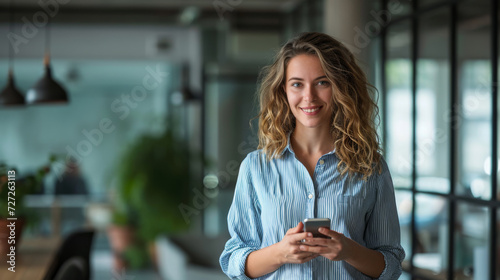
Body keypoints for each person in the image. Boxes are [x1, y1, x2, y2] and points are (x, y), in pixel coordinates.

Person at [219, 32, 405, 279]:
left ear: (340, 86)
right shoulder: (256, 167)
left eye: (322, 82)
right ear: (283, 90)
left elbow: (391, 267)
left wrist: (349, 251)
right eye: (297, 84)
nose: (309, 96)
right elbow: (233, 261)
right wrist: (280, 254)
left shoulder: (371, 167)